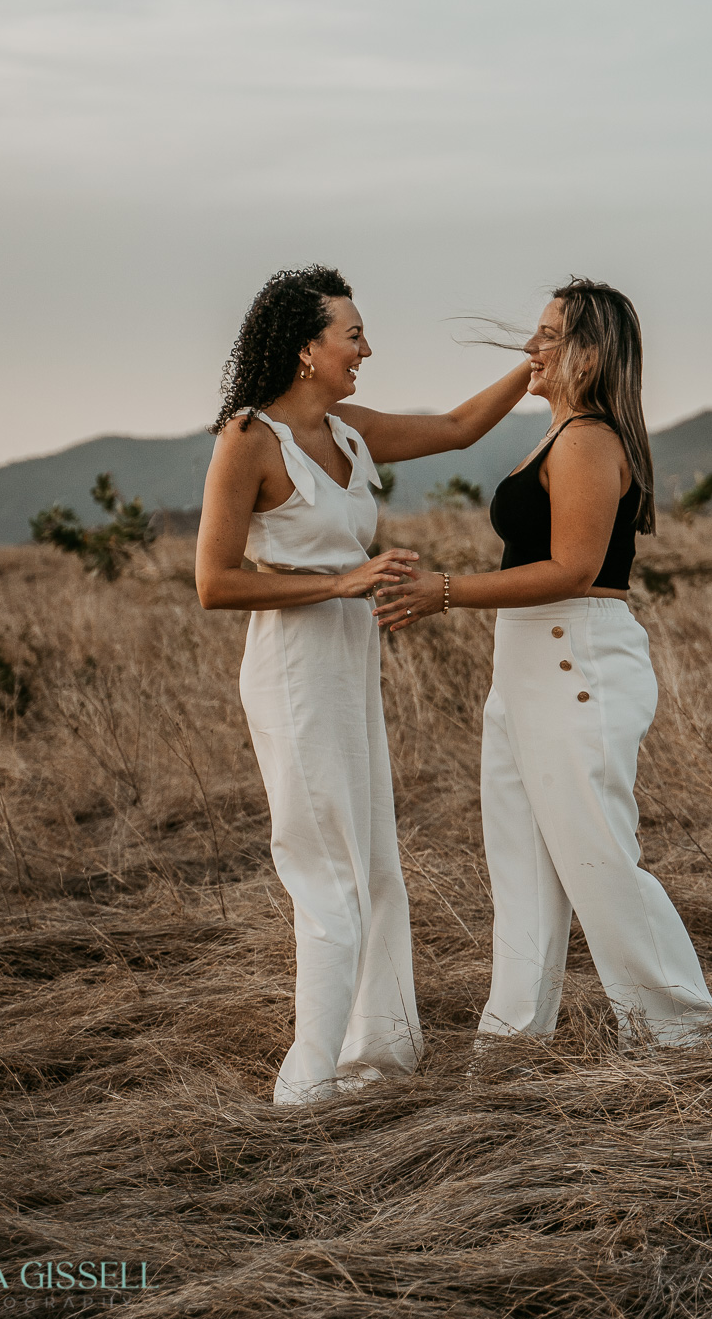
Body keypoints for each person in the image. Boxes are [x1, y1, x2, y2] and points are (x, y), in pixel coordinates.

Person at [195, 264, 532, 1104]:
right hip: (294, 673)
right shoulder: (247, 439)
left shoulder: (347, 431)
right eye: (353, 334)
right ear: (308, 348)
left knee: (375, 864)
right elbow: (214, 582)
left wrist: (537, 363)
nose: (366, 349)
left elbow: (457, 428)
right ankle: (306, 1084)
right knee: (326, 873)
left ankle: (375, 1057)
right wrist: (338, 582)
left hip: (353, 670)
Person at [375, 278, 712, 1053]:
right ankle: (513, 1044)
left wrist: (447, 591)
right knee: (524, 872)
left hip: (576, 659)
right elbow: (466, 426)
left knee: (598, 860)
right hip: (527, 665)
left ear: (591, 352)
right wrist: (533, 367)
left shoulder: (590, 438)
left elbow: (573, 567)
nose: (531, 346)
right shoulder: (557, 431)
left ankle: (686, 1038)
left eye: (548, 334)